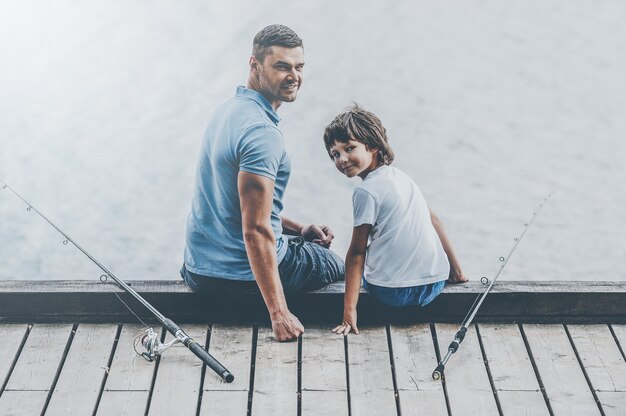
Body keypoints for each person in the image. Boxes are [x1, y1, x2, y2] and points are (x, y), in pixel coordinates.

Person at [182, 25, 344, 341]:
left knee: (301, 243)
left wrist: (297, 230)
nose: (293, 76)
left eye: (299, 67)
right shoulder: (262, 133)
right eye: (282, 66)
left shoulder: (226, 111)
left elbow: (232, 203)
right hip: (239, 279)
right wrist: (278, 313)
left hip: (198, 271)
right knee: (336, 264)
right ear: (255, 65)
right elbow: (255, 230)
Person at [324, 104, 469, 336]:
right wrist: (457, 271)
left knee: (347, 263)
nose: (342, 159)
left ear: (373, 146)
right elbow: (434, 220)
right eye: (335, 154)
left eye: (350, 148)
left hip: (392, 293)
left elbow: (357, 254)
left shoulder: (365, 192)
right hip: (433, 285)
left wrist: (348, 313)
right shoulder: (403, 178)